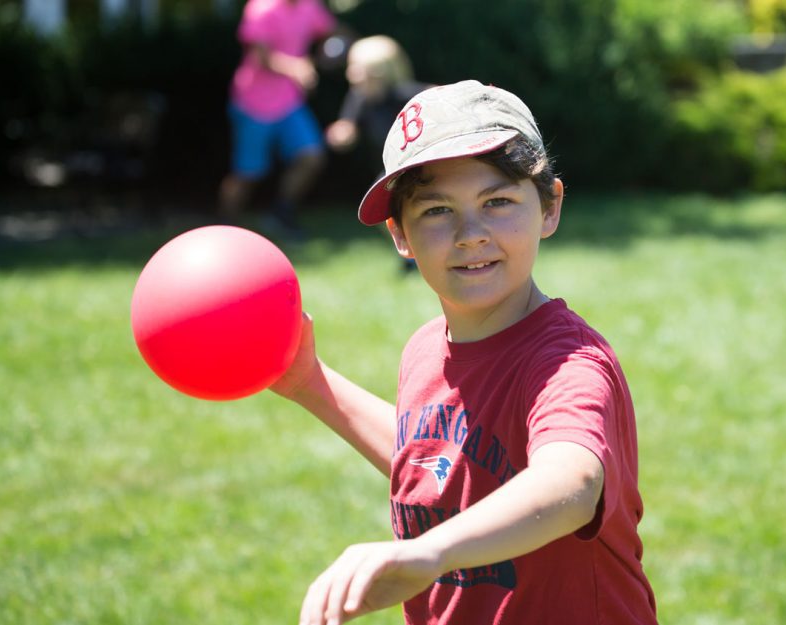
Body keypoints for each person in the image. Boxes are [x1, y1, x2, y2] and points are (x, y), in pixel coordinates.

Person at [270, 80, 657, 624]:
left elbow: (572, 482)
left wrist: (431, 550)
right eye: (436, 211)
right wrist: (311, 383)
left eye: (497, 202)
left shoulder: (567, 362)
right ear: (399, 235)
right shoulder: (426, 348)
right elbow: (438, 459)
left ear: (549, 207)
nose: (470, 233)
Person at [219, 0, 336, 239]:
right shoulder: (261, 8)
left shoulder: (309, 5)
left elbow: (331, 31)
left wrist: (355, 45)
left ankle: (280, 214)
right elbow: (261, 56)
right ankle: (224, 229)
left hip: (289, 102)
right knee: (247, 174)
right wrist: (296, 68)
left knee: (312, 156)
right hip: (253, 103)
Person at [325, 35, 431, 272]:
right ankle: (411, 255)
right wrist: (342, 133)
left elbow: (432, 96)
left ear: (380, 73)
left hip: (415, 163)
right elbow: (348, 126)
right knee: (386, 213)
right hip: (389, 167)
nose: (351, 75)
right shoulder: (360, 98)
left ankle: (418, 255)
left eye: (358, 70)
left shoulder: (404, 95)